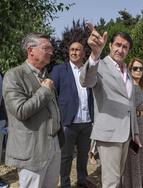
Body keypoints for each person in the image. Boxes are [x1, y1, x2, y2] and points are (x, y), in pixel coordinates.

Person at [80, 23, 141, 188]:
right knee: (111, 182)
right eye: (118, 45)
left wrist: (134, 132)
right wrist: (94, 54)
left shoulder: (127, 71)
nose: (121, 49)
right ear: (110, 45)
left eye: (125, 47)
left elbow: (130, 104)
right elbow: (86, 81)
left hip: (125, 134)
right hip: (109, 134)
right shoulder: (99, 64)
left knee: (118, 178)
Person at [2, 32, 65, 187]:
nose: (51, 52)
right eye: (46, 48)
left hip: (54, 143)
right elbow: (20, 111)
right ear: (31, 50)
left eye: (51, 48)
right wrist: (44, 91)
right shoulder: (14, 75)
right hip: (32, 150)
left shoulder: (46, 75)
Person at [50, 41, 94, 188]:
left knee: (83, 154)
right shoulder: (59, 70)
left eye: (77, 50)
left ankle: (82, 179)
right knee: (66, 156)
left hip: (87, 121)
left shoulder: (89, 70)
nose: (74, 52)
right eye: (72, 50)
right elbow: (51, 94)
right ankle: (65, 183)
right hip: (68, 121)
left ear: (83, 53)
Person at [122, 58, 143, 188]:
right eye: (135, 68)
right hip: (131, 124)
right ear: (130, 70)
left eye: (141, 69)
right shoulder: (126, 86)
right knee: (133, 156)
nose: (138, 71)